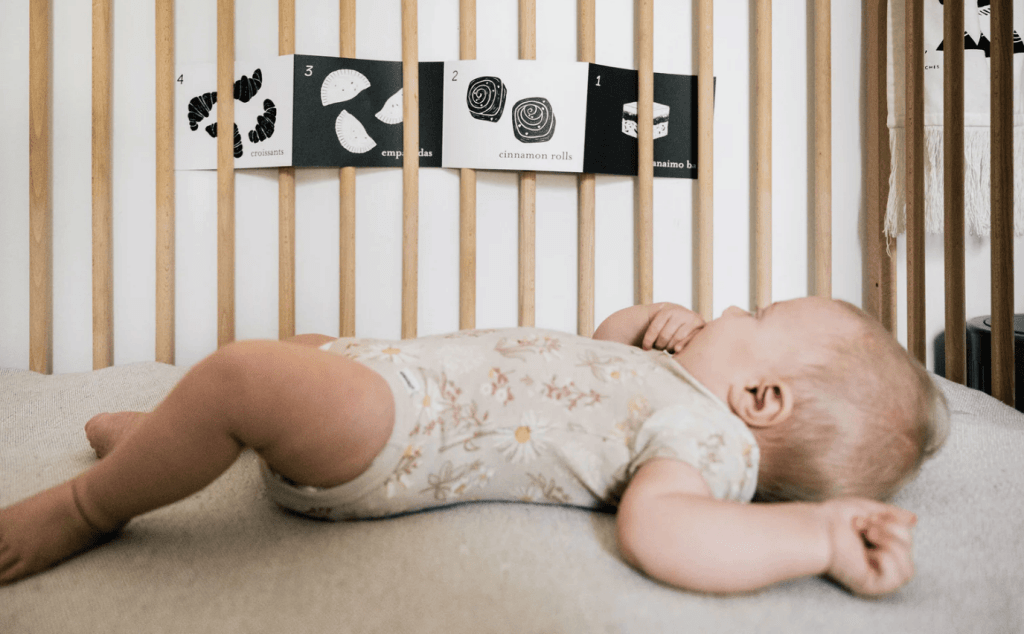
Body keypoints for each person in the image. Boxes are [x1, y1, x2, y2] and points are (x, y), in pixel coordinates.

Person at [0, 296, 948, 596]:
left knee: (250, 376)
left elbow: (668, 535)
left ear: (761, 398)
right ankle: (178, 443)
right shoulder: (675, 388)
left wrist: (820, 537)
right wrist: (640, 323)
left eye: (760, 312)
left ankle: (94, 504)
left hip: (402, 431)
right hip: (397, 374)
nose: (732, 305)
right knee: (292, 352)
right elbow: (592, 355)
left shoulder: (700, 444)